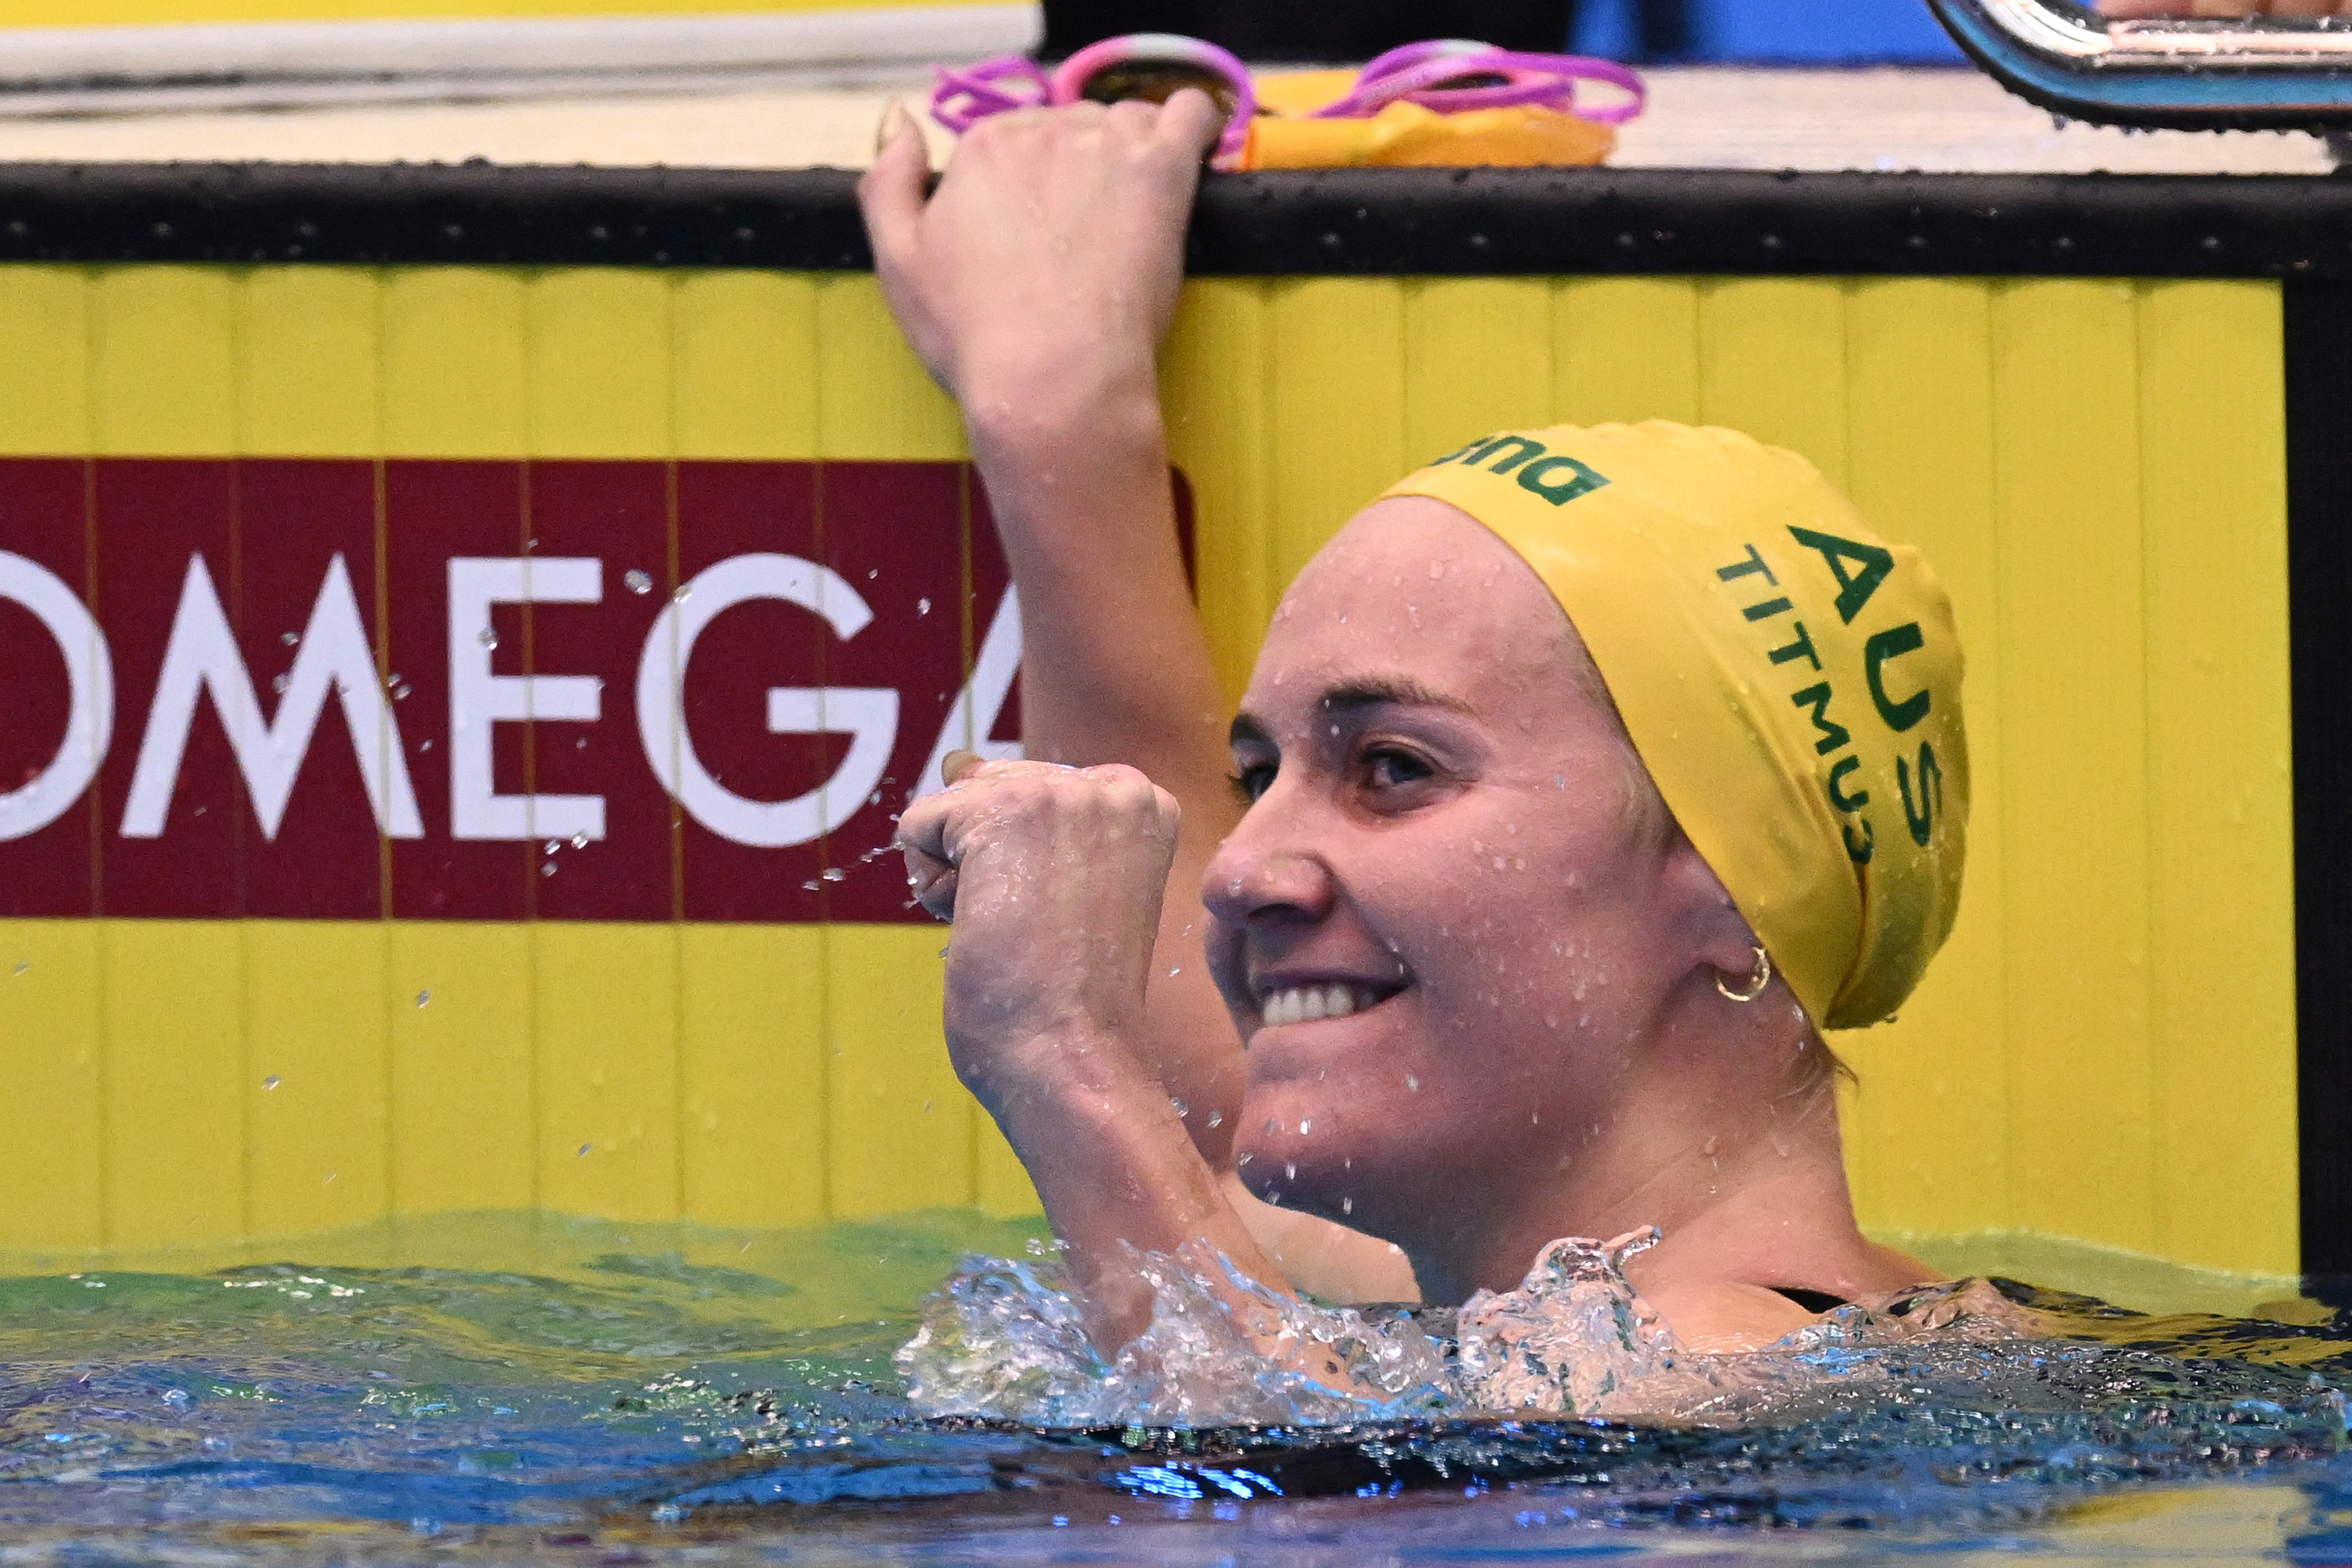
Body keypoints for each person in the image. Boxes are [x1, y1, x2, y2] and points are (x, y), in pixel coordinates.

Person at [857, 90, 1968, 1362]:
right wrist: (1054, 416)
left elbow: (1272, 1532)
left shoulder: (1715, 1381)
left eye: (1393, 768)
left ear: (1726, 881)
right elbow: (1201, 1123)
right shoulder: (1493, 1294)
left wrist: (1062, 1060)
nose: (1237, 868)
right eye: (1255, 772)